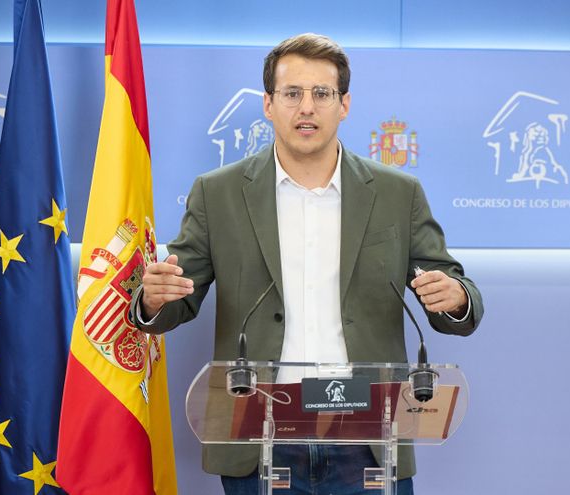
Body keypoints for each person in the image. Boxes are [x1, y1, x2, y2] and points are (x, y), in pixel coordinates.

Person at [130, 33, 483, 495]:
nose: (307, 108)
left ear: (345, 104)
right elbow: (177, 300)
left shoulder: (398, 193)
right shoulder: (217, 193)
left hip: (369, 438)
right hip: (259, 435)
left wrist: (455, 298)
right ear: (268, 104)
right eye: (292, 93)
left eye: (322, 93)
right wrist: (154, 300)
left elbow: (457, 294)